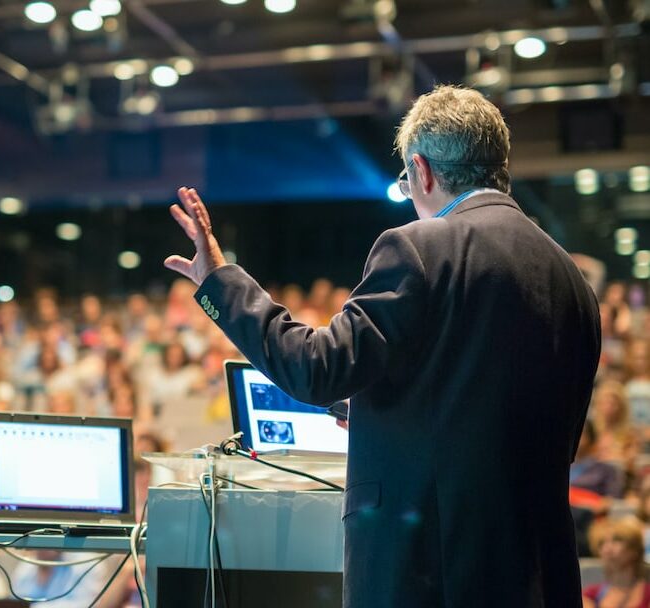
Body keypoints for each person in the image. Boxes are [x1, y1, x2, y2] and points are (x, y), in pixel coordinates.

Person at [165, 85, 601, 606]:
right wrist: (380, 410)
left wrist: (220, 279)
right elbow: (498, 412)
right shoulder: (570, 277)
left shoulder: (421, 245)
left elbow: (315, 369)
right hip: (539, 575)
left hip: (428, 572)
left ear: (421, 171)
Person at [583, 517, 650, 608]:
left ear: (634, 550)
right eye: (602, 543)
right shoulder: (590, 594)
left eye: (616, 540)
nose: (607, 549)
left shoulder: (647, 593)